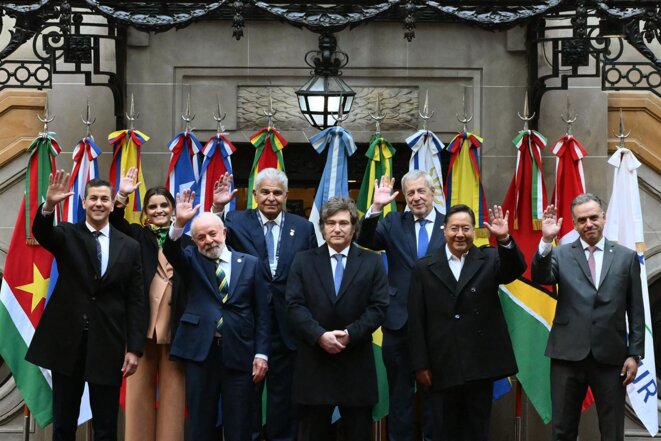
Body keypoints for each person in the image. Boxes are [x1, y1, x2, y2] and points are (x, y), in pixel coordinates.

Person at [26, 171, 145, 441]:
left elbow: (136, 299)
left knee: (106, 426)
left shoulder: (130, 246)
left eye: (104, 199)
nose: (99, 203)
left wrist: (135, 348)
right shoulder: (67, 233)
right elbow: (42, 233)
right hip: (68, 342)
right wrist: (49, 206)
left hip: (108, 342)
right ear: (84, 202)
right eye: (93, 198)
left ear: (113, 204)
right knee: (64, 424)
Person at [211, 168, 317, 441]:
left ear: (286, 195)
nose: (271, 197)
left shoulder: (303, 227)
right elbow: (213, 242)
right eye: (265, 192)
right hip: (247, 323)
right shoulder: (234, 221)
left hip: (287, 327)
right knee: (246, 399)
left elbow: (311, 272)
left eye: (277, 193)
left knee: (284, 402)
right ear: (255, 194)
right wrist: (218, 208)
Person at [408, 204, 526, 441]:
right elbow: (416, 319)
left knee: (476, 431)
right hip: (441, 364)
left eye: (466, 228)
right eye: (454, 228)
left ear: (474, 231)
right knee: (442, 431)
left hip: (479, 364)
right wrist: (420, 365)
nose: (460, 234)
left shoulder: (489, 258)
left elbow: (515, 269)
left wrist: (503, 238)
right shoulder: (424, 267)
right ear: (444, 230)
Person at [531, 194, 644, 441]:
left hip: (611, 357)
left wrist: (634, 354)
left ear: (604, 217)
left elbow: (636, 309)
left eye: (593, 217)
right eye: (582, 220)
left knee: (612, 431)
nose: (589, 224)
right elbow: (540, 277)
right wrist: (546, 240)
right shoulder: (560, 254)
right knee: (563, 430)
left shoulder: (626, 257)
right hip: (567, 355)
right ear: (574, 224)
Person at [163, 189, 269, 441]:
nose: (208, 241)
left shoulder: (251, 263)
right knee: (201, 424)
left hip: (240, 352)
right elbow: (171, 251)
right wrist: (179, 223)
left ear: (224, 233)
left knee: (239, 424)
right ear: (194, 241)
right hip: (201, 352)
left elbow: (263, 313)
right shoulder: (191, 260)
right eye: (200, 237)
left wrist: (261, 354)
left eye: (212, 234)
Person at [286, 197, 389, 441]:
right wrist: (319, 335)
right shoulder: (303, 260)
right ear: (322, 227)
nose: (337, 228)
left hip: (355, 363)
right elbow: (294, 305)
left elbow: (379, 307)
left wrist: (350, 334)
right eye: (330, 223)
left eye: (343, 223)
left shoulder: (372, 261)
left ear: (354, 228)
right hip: (315, 363)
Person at [355, 171, 445, 441]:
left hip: (438, 324)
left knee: (435, 397)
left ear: (432, 193)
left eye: (421, 191)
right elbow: (365, 240)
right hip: (398, 323)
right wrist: (376, 208)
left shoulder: (449, 224)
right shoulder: (393, 222)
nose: (416, 197)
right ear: (404, 197)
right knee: (400, 396)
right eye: (410, 193)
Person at [111, 168, 186, 441]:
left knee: (174, 396)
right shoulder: (136, 234)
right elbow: (114, 223)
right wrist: (122, 196)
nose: (159, 210)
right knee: (137, 394)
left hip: (175, 327)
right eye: (152, 206)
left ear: (173, 209)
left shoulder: (186, 239)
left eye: (164, 205)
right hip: (141, 327)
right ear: (145, 212)